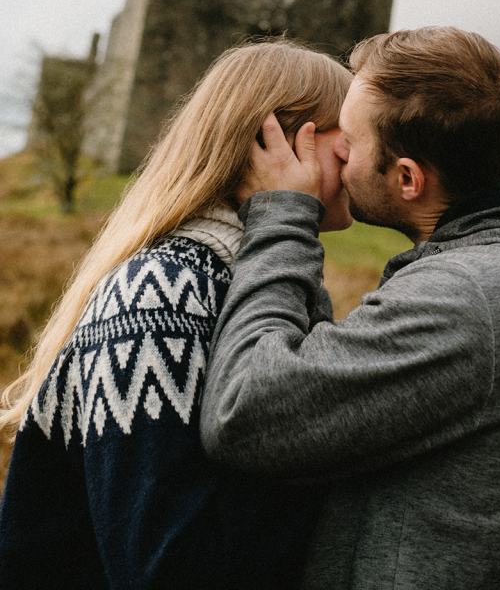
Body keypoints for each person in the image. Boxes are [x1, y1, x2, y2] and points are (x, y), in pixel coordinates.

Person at [200, 26, 500, 590]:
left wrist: (281, 217)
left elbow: (245, 412)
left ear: (407, 179)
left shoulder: (473, 296)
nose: (334, 154)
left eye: (347, 143)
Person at [0, 41, 352, 590]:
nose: (361, 153)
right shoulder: (165, 289)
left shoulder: (255, 281)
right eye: (345, 135)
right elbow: (166, 565)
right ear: (273, 141)